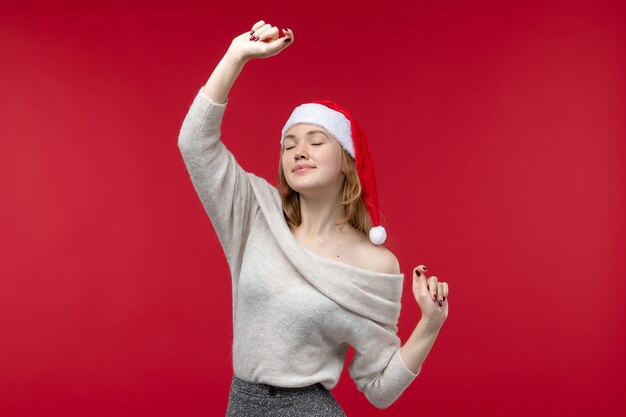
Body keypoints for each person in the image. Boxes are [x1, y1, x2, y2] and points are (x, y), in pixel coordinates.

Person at [178, 20, 450, 416]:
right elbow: (194, 143)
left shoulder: (376, 264)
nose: (299, 151)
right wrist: (237, 55)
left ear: (347, 161)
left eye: (316, 141)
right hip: (241, 404)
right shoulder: (255, 211)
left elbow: (378, 387)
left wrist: (429, 325)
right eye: (289, 145)